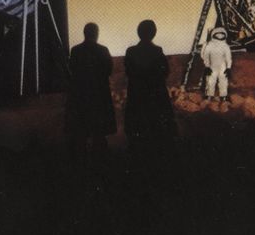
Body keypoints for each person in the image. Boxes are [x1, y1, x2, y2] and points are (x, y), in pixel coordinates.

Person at [123, 19, 177, 155]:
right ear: (153, 33)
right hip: (155, 94)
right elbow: (165, 71)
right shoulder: (157, 51)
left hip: (137, 94)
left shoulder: (131, 51)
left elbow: (129, 71)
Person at [65, 21, 114, 158]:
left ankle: (81, 160)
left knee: (81, 131)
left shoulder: (75, 50)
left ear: (84, 33)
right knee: (99, 132)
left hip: (81, 95)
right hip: (99, 95)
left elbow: (72, 70)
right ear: (96, 34)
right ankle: (100, 159)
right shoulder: (103, 50)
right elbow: (108, 70)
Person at [200, 26, 233, 102]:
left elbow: (228, 58)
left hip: (222, 66)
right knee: (210, 81)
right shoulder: (209, 45)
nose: (220, 36)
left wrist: (228, 68)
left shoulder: (225, 46)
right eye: (218, 34)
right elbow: (206, 56)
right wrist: (207, 66)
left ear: (225, 35)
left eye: (221, 34)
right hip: (212, 66)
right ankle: (209, 96)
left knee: (223, 81)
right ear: (214, 35)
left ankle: (223, 96)